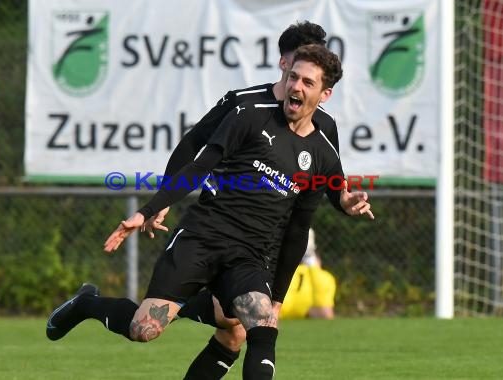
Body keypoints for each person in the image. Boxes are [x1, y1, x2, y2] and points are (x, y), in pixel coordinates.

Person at [47, 44, 346, 380]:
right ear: (284, 69)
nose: (296, 86)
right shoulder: (248, 111)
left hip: (249, 254)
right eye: (294, 77)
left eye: (308, 82)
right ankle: (87, 303)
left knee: (258, 324)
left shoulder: (323, 149)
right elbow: (198, 163)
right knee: (144, 329)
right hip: (201, 238)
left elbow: (300, 227)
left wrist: (277, 296)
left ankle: (194, 305)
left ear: (325, 93)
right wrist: (149, 210)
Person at [143, 21, 374, 379]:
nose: (303, 79)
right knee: (216, 325)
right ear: (286, 63)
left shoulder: (323, 126)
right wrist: (163, 198)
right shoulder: (245, 105)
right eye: (301, 64)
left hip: (262, 244)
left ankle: (182, 305)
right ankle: (171, 304)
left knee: (240, 329)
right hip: (212, 227)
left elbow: (329, 181)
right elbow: (195, 145)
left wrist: (342, 199)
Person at [279, 228, 337, 320]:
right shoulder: (324, 276)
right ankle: (307, 256)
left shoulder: (323, 276)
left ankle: (305, 255)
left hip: (286, 306)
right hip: (294, 306)